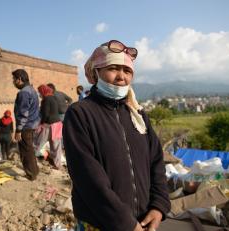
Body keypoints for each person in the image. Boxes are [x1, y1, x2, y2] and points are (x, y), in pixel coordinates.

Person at [63, 40, 170, 231]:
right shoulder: (80, 113)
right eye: (113, 68)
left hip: (143, 222)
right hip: (102, 223)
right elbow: (87, 176)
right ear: (96, 73)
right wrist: (125, 223)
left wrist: (158, 206)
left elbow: (156, 162)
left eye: (127, 71)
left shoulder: (137, 114)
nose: (121, 76)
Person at [12, 69, 40, 180]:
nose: (13, 82)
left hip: (25, 127)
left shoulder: (23, 92)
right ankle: (34, 171)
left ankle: (30, 175)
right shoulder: (32, 90)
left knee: (25, 151)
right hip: (32, 125)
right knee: (30, 150)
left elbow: (23, 113)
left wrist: (18, 130)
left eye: (14, 79)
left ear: (19, 79)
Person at [35, 85, 63, 169]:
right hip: (57, 124)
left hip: (48, 124)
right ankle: (57, 164)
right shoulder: (54, 98)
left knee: (38, 143)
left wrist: (41, 124)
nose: (39, 94)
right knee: (56, 145)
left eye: (40, 92)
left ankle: (32, 161)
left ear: (43, 91)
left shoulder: (46, 100)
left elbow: (45, 114)